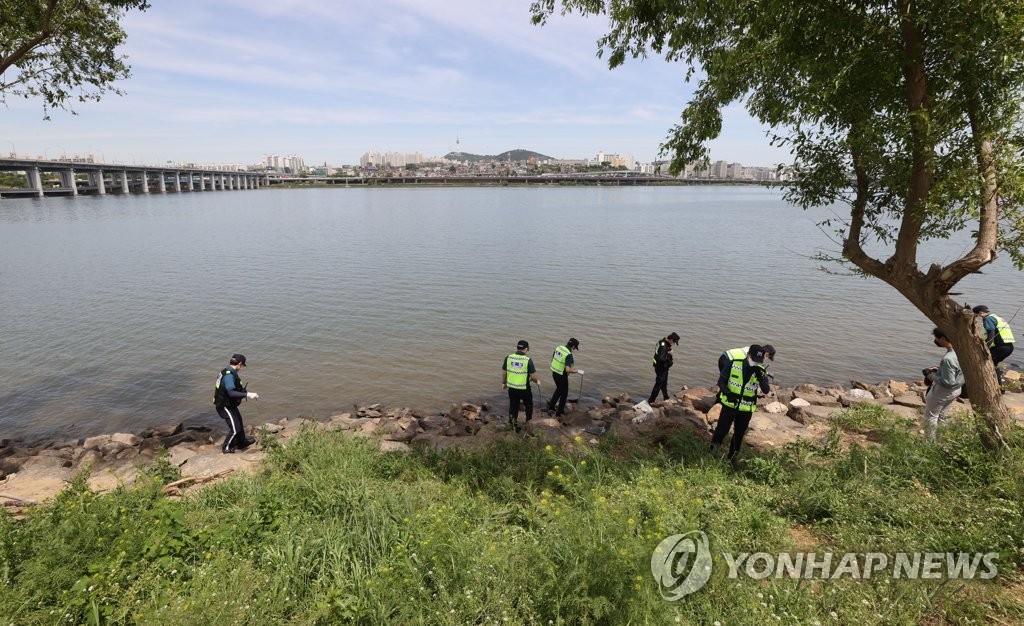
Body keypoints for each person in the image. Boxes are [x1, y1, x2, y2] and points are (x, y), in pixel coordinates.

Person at [711, 344, 771, 462]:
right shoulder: (733, 364)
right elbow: (721, 381)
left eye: (758, 361)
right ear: (748, 355)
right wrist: (728, 393)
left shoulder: (761, 370)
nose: (755, 362)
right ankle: (712, 454)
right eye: (754, 359)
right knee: (721, 431)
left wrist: (761, 378)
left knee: (738, 435)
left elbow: (766, 390)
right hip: (730, 404)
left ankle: (732, 459)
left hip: (746, 409)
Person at [922, 328, 964, 440]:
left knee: (931, 417)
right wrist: (939, 370)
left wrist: (930, 375)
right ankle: (942, 440)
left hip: (943, 392)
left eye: (936, 338)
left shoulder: (948, 358)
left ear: (943, 338)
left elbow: (948, 382)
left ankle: (929, 443)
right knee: (942, 416)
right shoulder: (962, 351)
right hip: (957, 390)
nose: (935, 340)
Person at [214, 353, 259, 453]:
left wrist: (243, 392)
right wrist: (248, 394)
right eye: (242, 366)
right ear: (239, 364)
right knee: (235, 429)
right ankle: (226, 448)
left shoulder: (227, 370)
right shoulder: (229, 376)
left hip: (230, 404)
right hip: (224, 406)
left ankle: (242, 442)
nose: (242, 368)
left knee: (239, 422)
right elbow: (231, 393)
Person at [972, 305, 1015, 386]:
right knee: (994, 364)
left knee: (984, 362)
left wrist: (985, 348)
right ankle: (1000, 387)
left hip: (1001, 348)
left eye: (976, 316)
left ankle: (994, 386)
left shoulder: (988, 319)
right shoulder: (996, 317)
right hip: (1009, 347)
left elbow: (991, 335)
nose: (977, 318)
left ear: (981, 313)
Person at [503, 340, 540, 432]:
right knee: (528, 405)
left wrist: (504, 383)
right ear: (526, 349)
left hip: (511, 388)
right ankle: (528, 424)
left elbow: (504, 373)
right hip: (524, 388)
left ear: (517, 348)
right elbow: (533, 376)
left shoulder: (508, 357)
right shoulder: (528, 360)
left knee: (513, 406)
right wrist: (537, 381)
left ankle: (512, 426)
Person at [547, 338, 583, 418]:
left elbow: (553, 358)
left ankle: (551, 407)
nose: (574, 349)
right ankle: (559, 413)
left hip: (554, 373)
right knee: (564, 394)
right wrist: (577, 371)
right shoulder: (568, 354)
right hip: (561, 375)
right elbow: (568, 369)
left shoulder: (558, 348)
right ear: (573, 346)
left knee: (558, 390)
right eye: (575, 347)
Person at [647, 332, 680, 404]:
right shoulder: (663, 346)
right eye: (674, 342)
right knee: (658, 384)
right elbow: (661, 358)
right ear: (671, 339)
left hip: (662, 367)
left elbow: (660, 354)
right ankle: (651, 400)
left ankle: (666, 397)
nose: (673, 344)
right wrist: (669, 354)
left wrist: (667, 352)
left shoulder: (662, 342)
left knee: (664, 383)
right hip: (661, 368)